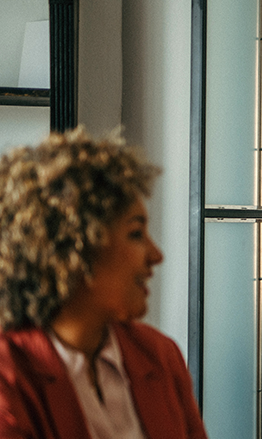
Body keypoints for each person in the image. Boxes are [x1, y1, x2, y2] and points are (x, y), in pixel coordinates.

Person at [0, 127, 207, 439]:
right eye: (136, 234)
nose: (156, 255)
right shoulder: (9, 376)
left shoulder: (161, 356)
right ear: (73, 249)